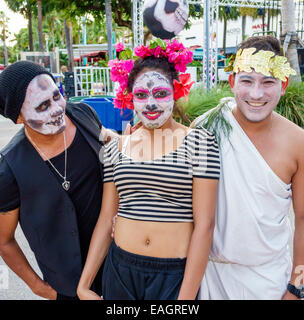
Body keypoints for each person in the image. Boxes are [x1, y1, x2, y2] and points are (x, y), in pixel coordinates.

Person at [77, 39, 220, 300]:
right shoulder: (115, 147)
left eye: (161, 94)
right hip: (120, 271)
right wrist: (84, 285)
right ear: (130, 97)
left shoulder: (200, 142)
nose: (151, 103)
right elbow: (106, 217)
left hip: (173, 276)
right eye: (141, 95)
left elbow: (205, 226)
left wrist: (185, 299)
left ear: (176, 92)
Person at [193, 36, 304, 300]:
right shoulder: (205, 128)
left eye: (268, 82)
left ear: (283, 85)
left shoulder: (300, 145)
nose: (256, 94)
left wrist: (297, 288)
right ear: (232, 83)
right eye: (247, 81)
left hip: (268, 279)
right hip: (208, 276)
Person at [0, 61, 118, 300]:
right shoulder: (8, 172)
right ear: (18, 117)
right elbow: (3, 240)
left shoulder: (83, 115)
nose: (57, 108)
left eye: (57, 96)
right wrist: (40, 288)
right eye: (43, 106)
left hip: (118, 266)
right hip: (68, 288)